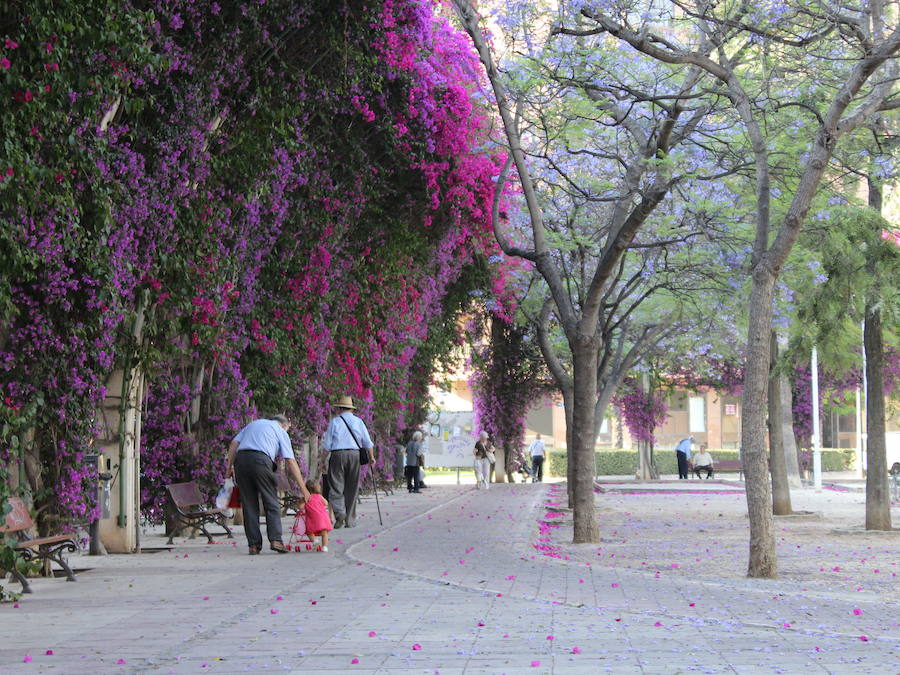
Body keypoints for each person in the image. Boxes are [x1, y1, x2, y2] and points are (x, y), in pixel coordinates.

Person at [225, 414, 310, 555]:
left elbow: (234, 444)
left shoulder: (253, 424)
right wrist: (304, 489)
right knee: (271, 502)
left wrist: (229, 468)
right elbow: (290, 461)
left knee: (249, 504)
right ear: (284, 425)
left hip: (241, 461)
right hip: (261, 461)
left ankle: (253, 545)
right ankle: (276, 540)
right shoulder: (280, 430)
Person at [322, 395, 373, 529]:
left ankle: (340, 514)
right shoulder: (359, 422)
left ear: (339, 408)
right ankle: (350, 520)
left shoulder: (335, 422)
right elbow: (367, 442)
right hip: (354, 455)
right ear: (351, 409)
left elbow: (327, 444)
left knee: (335, 486)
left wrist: (322, 460)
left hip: (338, 455)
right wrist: (371, 457)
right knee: (352, 487)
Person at [303, 479, 333, 552]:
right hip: (323, 518)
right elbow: (326, 503)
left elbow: (301, 507)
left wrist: (300, 502)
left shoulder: (307, 497)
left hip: (312, 519)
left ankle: (315, 541)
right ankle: (325, 547)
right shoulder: (319, 496)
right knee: (324, 533)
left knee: (309, 532)